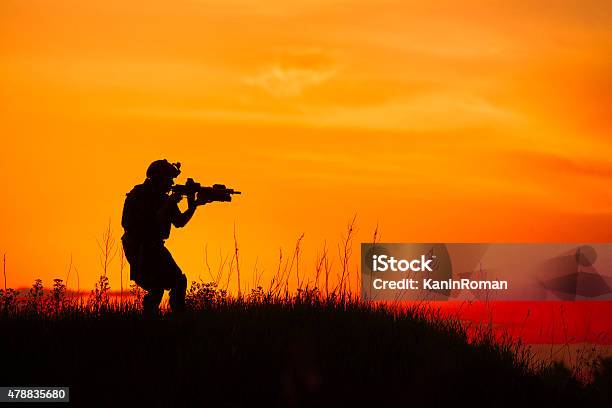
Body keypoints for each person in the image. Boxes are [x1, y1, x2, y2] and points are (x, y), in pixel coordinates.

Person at [121, 159, 200, 315]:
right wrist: (169, 203)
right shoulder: (140, 195)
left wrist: (194, 205)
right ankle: (153, 320)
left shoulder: (164, 198)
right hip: (139, 248)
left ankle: (178, 317)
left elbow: (179, 222)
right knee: (156, 286)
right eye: (168, 178)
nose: (171, 182)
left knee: (177, 281)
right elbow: (150, 221)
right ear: (158, 178)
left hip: (155, 246)